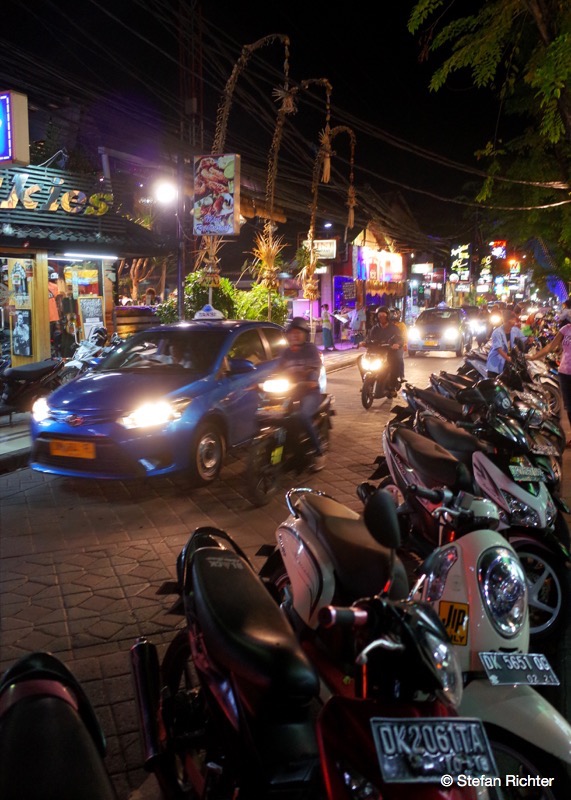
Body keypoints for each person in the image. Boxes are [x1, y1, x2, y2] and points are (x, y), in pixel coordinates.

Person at [278, 317, 326, 471]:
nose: (295, 336)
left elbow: (315, 368)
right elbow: (277, 371)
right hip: (291, 392)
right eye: (292, 333)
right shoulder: (286, 352)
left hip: (310, 392)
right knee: (278, 416)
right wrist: (261, 382)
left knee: (303, 415)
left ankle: (319, 453)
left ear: (305, 335)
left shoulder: (310, 349)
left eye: (298, 333)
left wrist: (311, 379)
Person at [527, 325, 571, 446]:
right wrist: (533, 357)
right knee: (569, 407)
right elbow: (551, 346)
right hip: (564, 372)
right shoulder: (566, 329)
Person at [363, 307, 404, 396]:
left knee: (395, 362)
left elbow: (400, 338)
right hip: (376, 351)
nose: (382, 317)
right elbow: (368, 338)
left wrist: (397, 344)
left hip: (389, 351)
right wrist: (364, 343)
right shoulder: (374, 328)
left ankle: (392, 386)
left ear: (387, 316)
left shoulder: (394, 328)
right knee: (360, 360)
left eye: (384, 315)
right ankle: (366, 382)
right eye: (380, 315)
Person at [486, 309, 529, 379]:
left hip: (509, 361)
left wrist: (530, 339)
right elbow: (499, 349)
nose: (514, 321)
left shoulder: (515, 330)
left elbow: (523, 339)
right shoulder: (497, 332)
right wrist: (508, 359)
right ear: (507, 321)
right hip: (496, 362)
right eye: (513, 320)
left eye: (514, 319)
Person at [390, 307, 407, 381]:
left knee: (399, 358)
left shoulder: (401, 325)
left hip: (399, 345)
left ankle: (401, 375)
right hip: (388, 345)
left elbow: (404, 336)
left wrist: (404, 344)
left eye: (395, 314)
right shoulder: (386, 325)